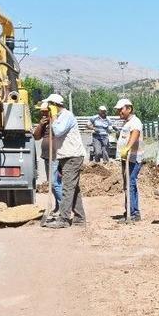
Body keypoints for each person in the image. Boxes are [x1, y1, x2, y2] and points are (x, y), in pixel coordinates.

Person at [42, 94, 87, 228]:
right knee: (74, 188)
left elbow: (58, 131)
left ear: (54, 105)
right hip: (65, 156)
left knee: (67, 187)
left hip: (72, 156)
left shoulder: (66, 116)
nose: (48, 108)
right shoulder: (59, 117)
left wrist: (54, 117)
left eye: (50, 105)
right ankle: (79, 218)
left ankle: (64, 218)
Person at [114, 98, 144, 221]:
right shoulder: (127, 122)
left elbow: (135, 133)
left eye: (121, 109)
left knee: (130, 184)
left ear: (129, 109)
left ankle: (132, 213)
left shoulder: (135, 122)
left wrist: (127, 148)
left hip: (133, 159)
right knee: (129, 184)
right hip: (127, 158)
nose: (118, 112)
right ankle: (133, 212)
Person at [32, 101, 63, 218]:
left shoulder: (57, 123)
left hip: (55, 156)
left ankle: (63, 207)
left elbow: (60, 134)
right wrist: (40, 125)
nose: (43, 115)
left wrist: (53, 121)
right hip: (46, 156)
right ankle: (58, 206)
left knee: (55, 183)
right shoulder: (44, 123)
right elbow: (36, 136)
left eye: (45, 112)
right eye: (42, 112)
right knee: (51, 183)